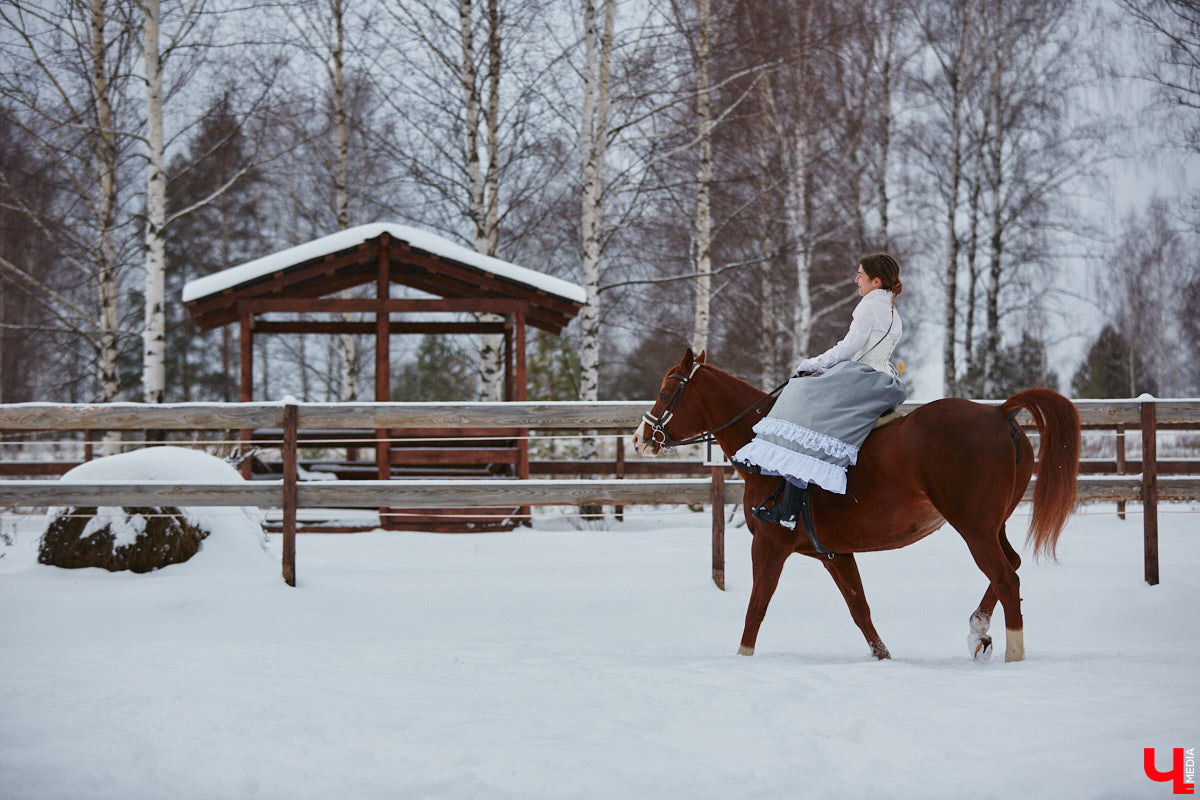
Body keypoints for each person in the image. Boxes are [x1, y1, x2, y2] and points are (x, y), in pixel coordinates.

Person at [731, 252, 907, 533]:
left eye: (860, 275)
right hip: (883, 381)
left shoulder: (868, 306)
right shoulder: (893, 312)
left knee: (799, 395)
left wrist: (813, 364)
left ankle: (787, 503)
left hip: (860, 377)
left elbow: (849, 349)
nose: (855, 279)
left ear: (876, 281)